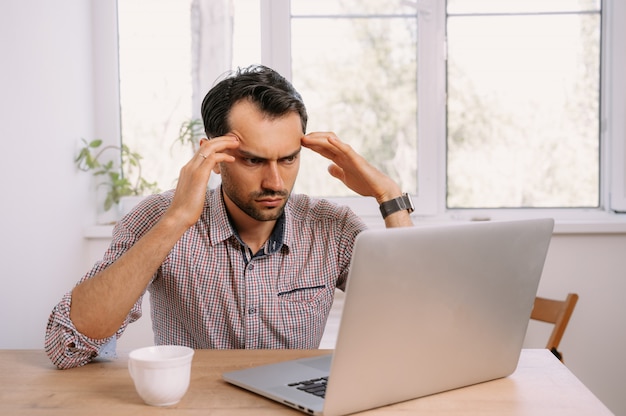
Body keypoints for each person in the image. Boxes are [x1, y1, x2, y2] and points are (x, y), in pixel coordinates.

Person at [45, 65, 414, 369]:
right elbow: (66, 346)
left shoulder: (332, 228)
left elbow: (413, 322)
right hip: (195, 404)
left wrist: (389, 196)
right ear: (214, 156)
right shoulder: (160, 216)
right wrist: (175, 222)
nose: (274, 182)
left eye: (288, 159)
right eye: (254, 160)